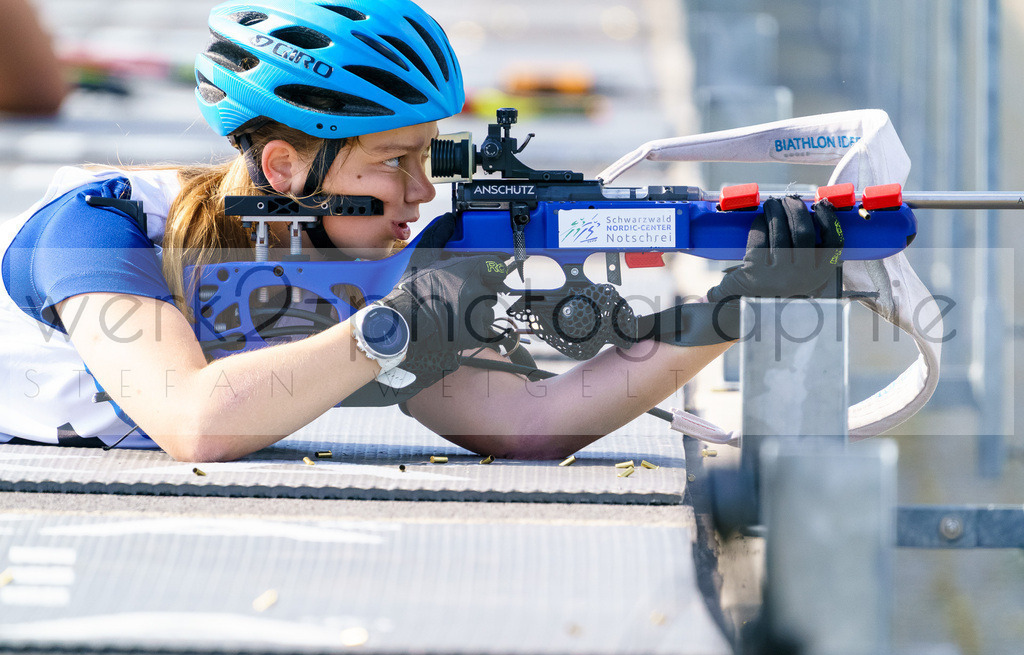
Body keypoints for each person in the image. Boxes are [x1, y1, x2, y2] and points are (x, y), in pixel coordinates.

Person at [0, 0, 842, 462]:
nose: (422, 190)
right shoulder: (99, 227)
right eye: (393, 161)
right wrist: (397, 329)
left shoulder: (359, 262)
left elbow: (528, 424)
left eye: (428, 157)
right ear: (288, 169)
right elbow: (193, 423)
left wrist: (734, 307)